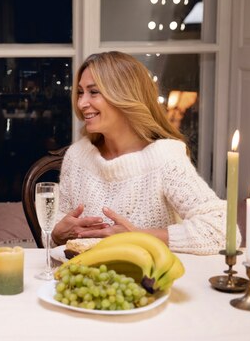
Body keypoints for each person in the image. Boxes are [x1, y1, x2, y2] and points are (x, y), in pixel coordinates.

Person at [51, 51, 238, 255]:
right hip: (85, 281)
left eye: (93, 92)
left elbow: (224, 231)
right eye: (80, 92)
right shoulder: (78, 156)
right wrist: (55, 235)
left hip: (149, 282)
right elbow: (56, 236)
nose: (81, 103)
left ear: (125, 95)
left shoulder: (165, 157)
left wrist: (138, 236)